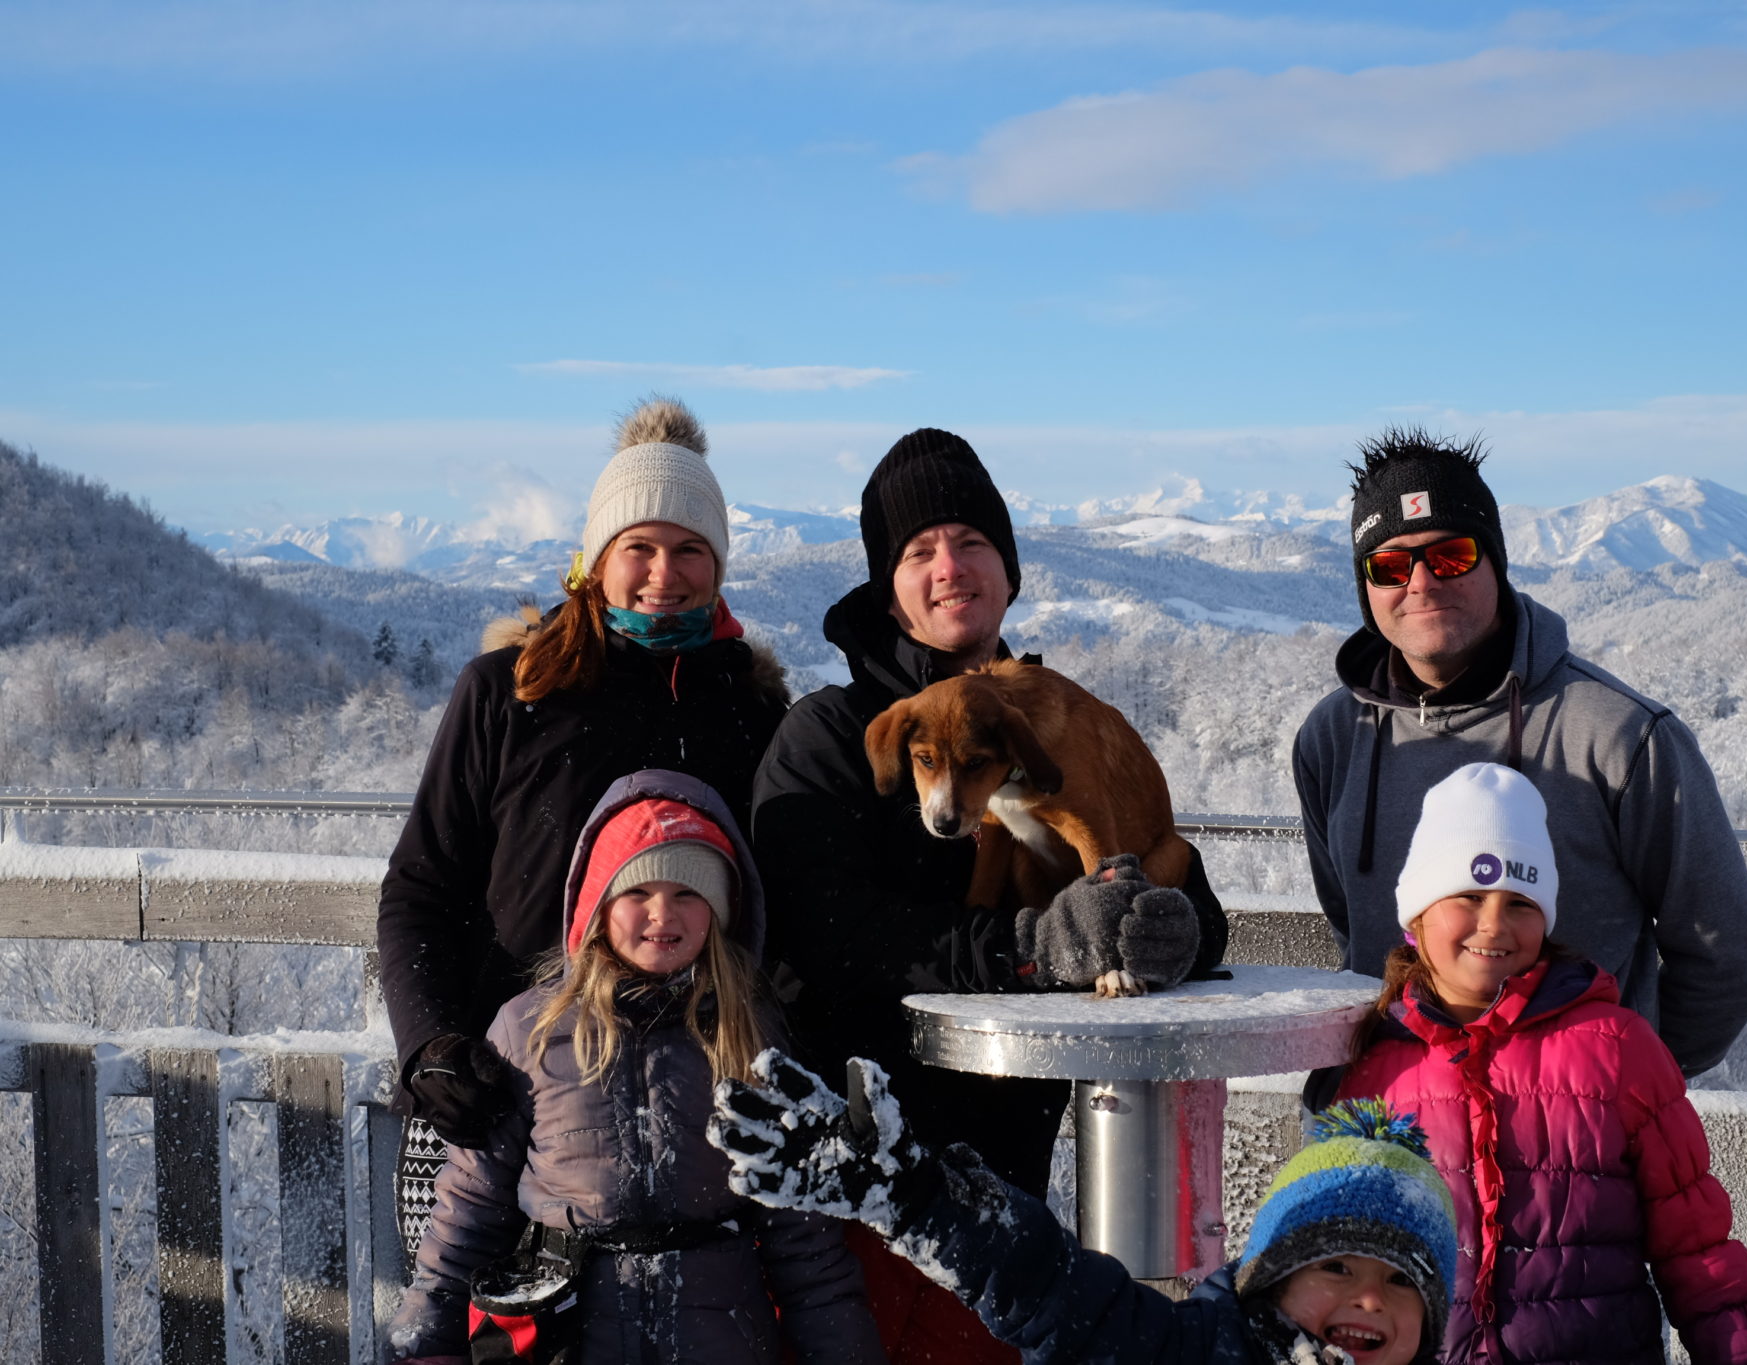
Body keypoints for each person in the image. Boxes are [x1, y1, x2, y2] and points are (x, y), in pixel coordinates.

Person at [748, 427, 1230, 1360]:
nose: (949, 567)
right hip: (866, 1188)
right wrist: (1029, 948)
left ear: (1007, 571)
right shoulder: (828, 738)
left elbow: (1151, 857)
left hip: (1014, 1212)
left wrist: (1180, 929)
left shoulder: (1051, 718)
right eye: (919, 550)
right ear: (886, 583)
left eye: (972, 542)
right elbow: (829, 940)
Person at [379, 396, 788, 1254]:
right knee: (474, 1334)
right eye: (637, 547)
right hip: (501, 1099)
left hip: (689, 1108)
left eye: (689, 551)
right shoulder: (511, 690)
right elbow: (421, 886)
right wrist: (432, 1047)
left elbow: (769, 907)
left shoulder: (750, 710)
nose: (662, 574)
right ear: (596, 556)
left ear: (718, 564)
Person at [1292, 428, 1747, 1079]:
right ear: (1365, 587)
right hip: (1385, 1131)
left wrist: (1618, 1092)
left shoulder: (1622, 737)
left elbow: (1727, 955)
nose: (1423, 580)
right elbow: (1354, 931)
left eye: (1452, 554)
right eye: (1390, 566)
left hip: (1565, 1154)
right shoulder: (1332, 737)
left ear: (1496, 559)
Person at [391, 770, 885, 1365]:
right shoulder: (530, 1031)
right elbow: (471, 1205)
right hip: (567, 1342)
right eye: (637, 893)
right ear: (598, 906)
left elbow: (805, 1243)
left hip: (721, 1340)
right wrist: (429, 1342)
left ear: (720, 910)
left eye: (688, 894)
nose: (662, 915)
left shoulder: (751, 1033)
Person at [1331, 763, 1747, 1364]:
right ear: (1416, 916)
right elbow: (1335, 1263)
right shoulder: (1375, 1070)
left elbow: (1696, 1247)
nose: (1494, 922)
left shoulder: (1615, 1047)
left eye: (1521, 902)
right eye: (1468, 895)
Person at [708, 1048, 1459, 1365]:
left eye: (1401, 1281)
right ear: (1270, 1275)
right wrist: (916, 1199)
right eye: (1335, 1263)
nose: (1370, 1296)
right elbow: (1047, 1285)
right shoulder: (1193, 1350)